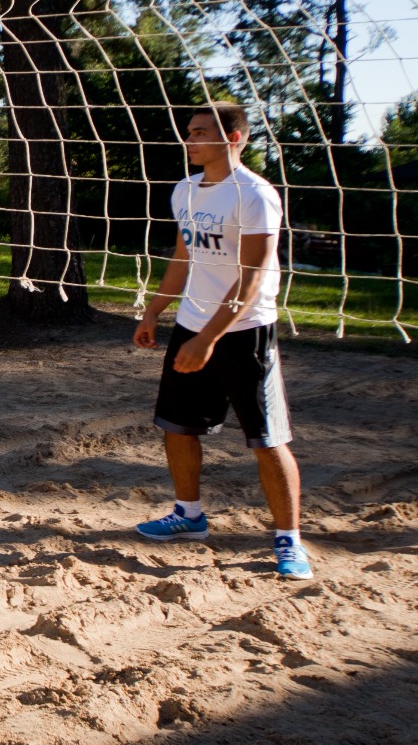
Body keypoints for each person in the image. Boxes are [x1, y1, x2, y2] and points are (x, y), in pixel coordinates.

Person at [131, 103, 312, 580]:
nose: (189, 140)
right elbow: (183, 258)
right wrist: (154, 312)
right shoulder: (185, 190)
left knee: (267, 440)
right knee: (177, 427)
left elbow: (251, 278)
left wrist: (209, 338)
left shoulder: (255, 195)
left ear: (234, 139)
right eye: (188, 132)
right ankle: (188, 514)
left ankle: (288, 540)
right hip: (193, 325)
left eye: (199, 133)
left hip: (244, 331)